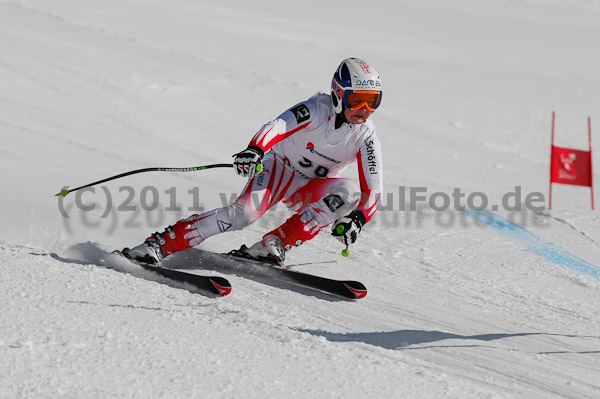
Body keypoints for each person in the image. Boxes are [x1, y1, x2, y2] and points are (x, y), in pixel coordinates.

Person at [122, 57, 383, 265]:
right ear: (338, 95)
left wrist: (357, 220)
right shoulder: (316, 109)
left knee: (347, 192)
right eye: (356, 100)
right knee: (241, 216)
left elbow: (374, 191)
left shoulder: (366, 136)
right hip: (278, 169)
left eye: (372, 102)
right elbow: (279, 125)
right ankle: (157, 245)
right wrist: (255, 150)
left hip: (311, 187)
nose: (364, 110)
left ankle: (274, 244)